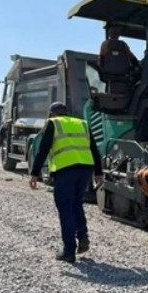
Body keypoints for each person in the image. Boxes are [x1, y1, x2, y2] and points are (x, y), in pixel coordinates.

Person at [29, 102, 103, 263]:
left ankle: (69, 251)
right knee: (77, 203)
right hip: (85, 169)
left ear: (52, 113)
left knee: (65, 208)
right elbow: (94, 148)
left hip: (65, 170)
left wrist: (35, 173)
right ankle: (82, 235)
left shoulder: (53, 123)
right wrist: (98, 172)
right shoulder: (82, 123)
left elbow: (43, 149)